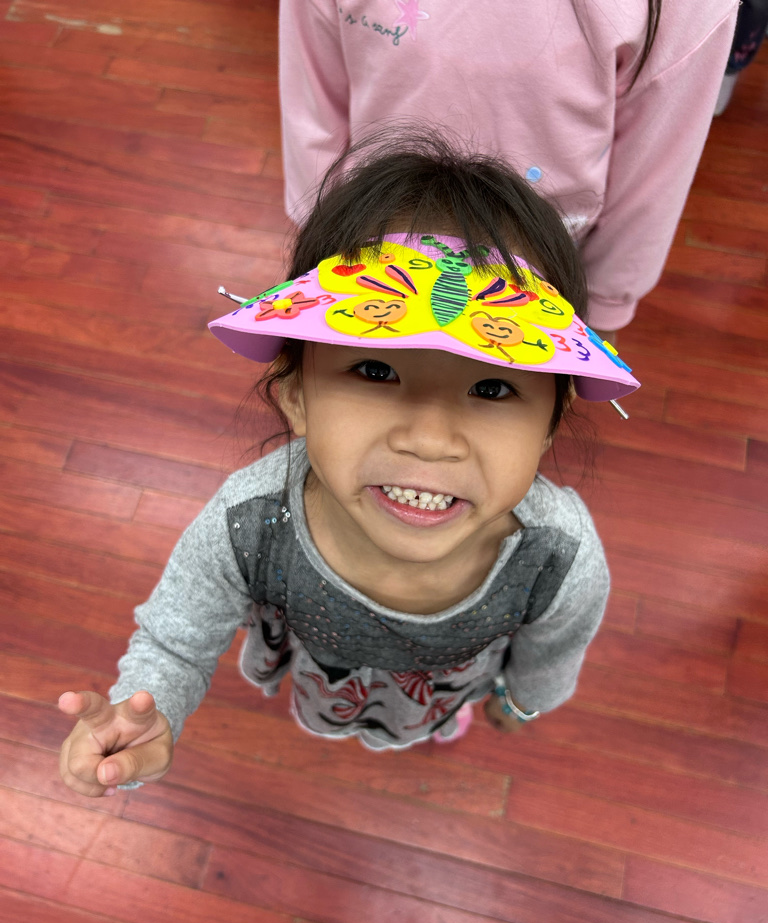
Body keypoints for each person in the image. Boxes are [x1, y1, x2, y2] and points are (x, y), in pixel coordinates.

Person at [58, 136, 640, 798]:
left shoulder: (559, 555)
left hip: (453, 686)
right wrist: (147, 707)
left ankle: (436, 717)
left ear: (550, 424)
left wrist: (525, 699)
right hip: (320, 679)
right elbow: (176, 639)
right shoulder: (247, 522)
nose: (429, 439)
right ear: (296, 394)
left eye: (492, 386)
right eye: (375, 369)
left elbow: (555, 646)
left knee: (435, 709)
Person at [279, 0, 738, 342]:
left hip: (541, 278)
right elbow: (314, 110)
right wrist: (317, 250)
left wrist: (603, 308)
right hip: (365, 253)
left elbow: (651, 182)